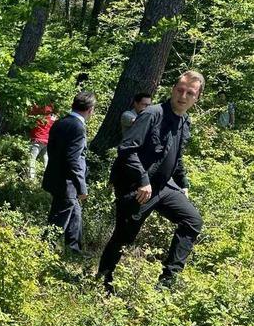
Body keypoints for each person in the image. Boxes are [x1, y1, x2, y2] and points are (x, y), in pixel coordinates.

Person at [98, 71, 205, 290]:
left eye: (189, 93)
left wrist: (183, 183)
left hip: (163, 186)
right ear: (173, 89)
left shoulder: (184, 121)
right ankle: (103, 281)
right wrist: (142, 180)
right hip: (136, 186)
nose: (183, 96)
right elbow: (127, 149)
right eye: (180, 90)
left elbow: (176, 155)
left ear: (197, 98)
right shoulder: (152, 114)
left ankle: (166, 283)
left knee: (192, 221)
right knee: (124, 237)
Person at [42, 91, 96, 255]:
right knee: (58, 220)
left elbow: (52, 150)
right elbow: (73, 160)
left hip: (55, 177)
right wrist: (82, 187)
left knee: (75, 214)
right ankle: (43, 251)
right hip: (68, 183)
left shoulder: (60, 122)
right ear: (90, 109)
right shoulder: (78, 127)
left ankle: (74, 250)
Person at [27, 104, 56, 180]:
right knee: (46, 158)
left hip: (37, 139)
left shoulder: (37, 109)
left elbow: (28, 114)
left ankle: (31, 178)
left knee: (32, 158)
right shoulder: (52, 114)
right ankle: (49, 177)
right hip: (47, 140)